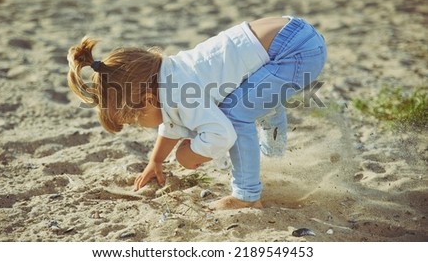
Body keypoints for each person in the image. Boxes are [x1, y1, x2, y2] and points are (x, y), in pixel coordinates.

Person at [67, 15, 327, 210]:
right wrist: (156, 160)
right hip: (293, 33)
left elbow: (221, 135)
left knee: (236, 113)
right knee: (248, 98)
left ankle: (246, 197)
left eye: (134, 119)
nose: (139, 124)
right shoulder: (170, 75)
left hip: (294, 53)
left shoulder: (180, 93)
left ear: (147, 99)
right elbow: (171, 123)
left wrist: (187, 155)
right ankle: (271, 131)